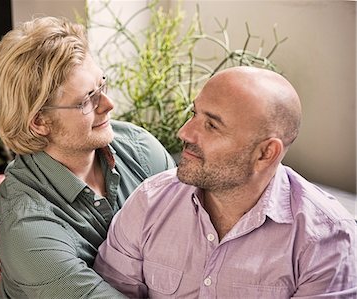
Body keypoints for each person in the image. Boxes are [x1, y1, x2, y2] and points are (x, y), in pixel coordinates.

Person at [94, 66, 357, 298]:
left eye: (212, 126)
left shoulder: (326, 239)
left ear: (266, 153)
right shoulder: (149, 202)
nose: (184, 132)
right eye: (194, 113)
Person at [0, 16, 175, 298]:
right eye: (88, 99)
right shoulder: (26, 230)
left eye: (103, 84)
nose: (109, 105)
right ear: (39, 122)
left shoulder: (140, 148)